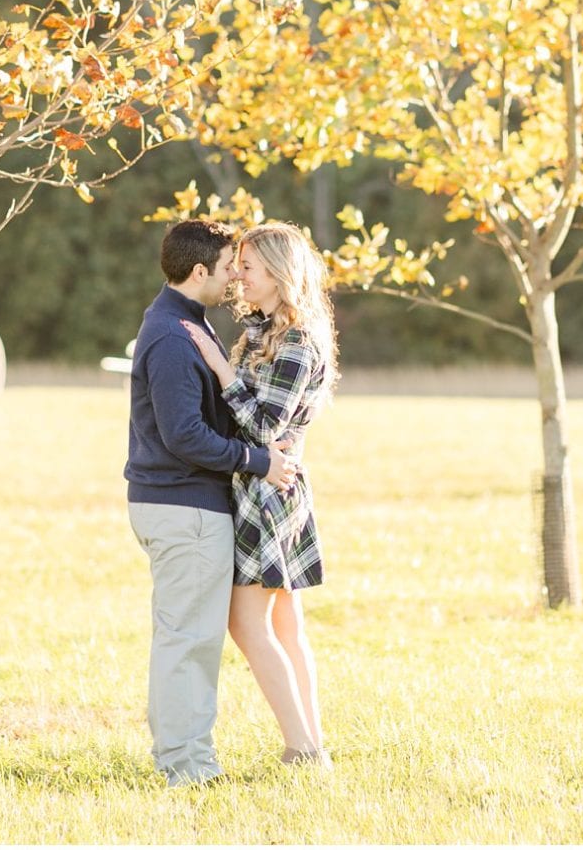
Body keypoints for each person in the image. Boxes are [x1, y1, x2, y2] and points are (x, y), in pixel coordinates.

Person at [125, 218, 300, 788]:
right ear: (199, 271)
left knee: (187, 637)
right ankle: (187, 767)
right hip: (185, 508)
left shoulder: (188, 322)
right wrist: (259, 462)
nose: (233, 278)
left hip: (187, 506)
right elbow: (185, 436)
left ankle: (184, 757)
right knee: (189, 642)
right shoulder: (175, 337)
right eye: (229, 268)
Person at [180, 221, 337, 768]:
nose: (237, 276)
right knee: (285, 626)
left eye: (246, 266)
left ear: (277, 272)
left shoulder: (297, 338)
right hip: (263, 484)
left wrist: (221, 368)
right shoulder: (260, 331)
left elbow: (266, 428)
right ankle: (313, 745)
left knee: (248, 624)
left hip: (269, 495)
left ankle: (302, 748)